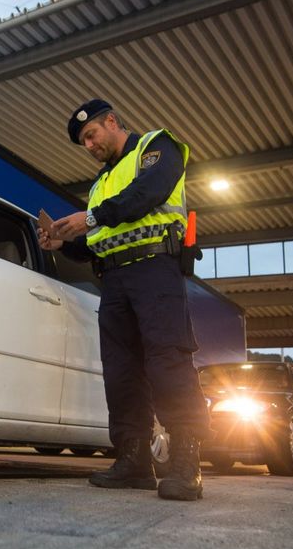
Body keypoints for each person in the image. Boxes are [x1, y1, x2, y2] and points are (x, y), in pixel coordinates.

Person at [39, 98, 211, 502]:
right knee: (121, 373)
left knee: (167, 361)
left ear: (112, 122)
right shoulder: (100, 186)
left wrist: (90, 218)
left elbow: (146, 194)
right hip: (114, 281)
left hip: (155, 271)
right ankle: (134, 462)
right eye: (83, 141)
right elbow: (94, 246)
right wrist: (63, 242)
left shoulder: (156, 147)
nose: (89, 145)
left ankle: (187, 462)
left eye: (91, 134)